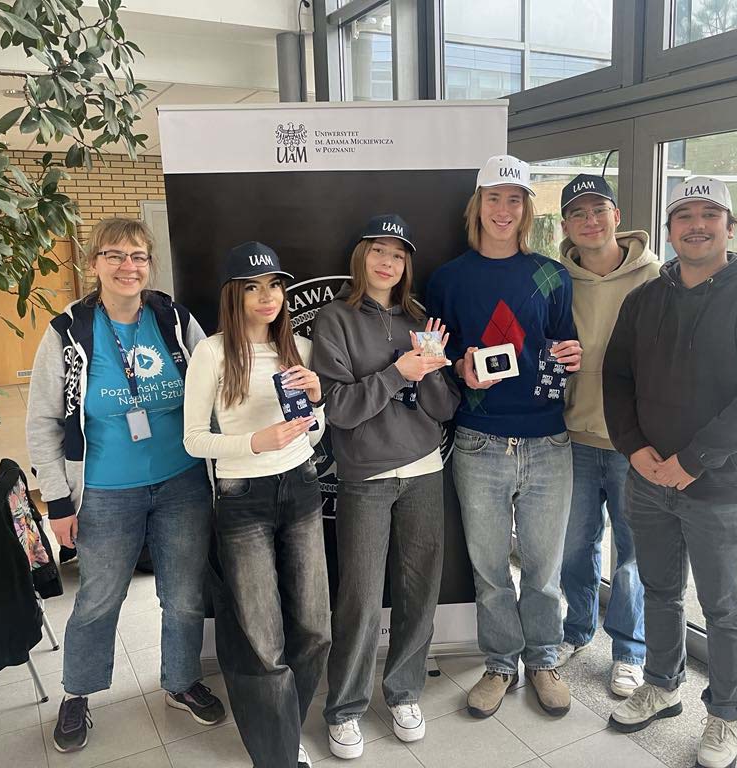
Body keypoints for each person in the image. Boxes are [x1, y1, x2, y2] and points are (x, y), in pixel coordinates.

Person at [603, 177, 737, 768]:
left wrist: (693, 460)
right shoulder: (644, 300)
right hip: (647, 479)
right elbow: (617, 377)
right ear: (669, 231)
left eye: (710, 214)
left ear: (730, 228)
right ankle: (662, 685)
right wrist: (633, 447)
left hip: (718, 487)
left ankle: (726, 716)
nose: (697, 224)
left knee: (723, 607)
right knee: (660, 591)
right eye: (684, 214)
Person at [27, 217, 224, 754]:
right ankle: (78, 692)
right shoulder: (68, 331)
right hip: (105, 492)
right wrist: (58, 501)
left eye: (137, 256)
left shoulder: (173, 319)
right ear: (93, 263)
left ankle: (181, 681)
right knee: (98, 598)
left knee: (183, 595)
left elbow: (214, 387)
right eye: (113, 255)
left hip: (182, 483)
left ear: (149, 264)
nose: (127, 266)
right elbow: (43, 422)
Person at [426, 155, 583, 720]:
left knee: (543, 570)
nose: (503, 209)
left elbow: (562, 348)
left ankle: (543, 660)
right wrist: (458, 369)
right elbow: (434, 359)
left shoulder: (551, 275)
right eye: (493, 197)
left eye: (514, 199)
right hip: (479, 441)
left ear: (526, 210)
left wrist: (572, 355)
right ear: (478, 205)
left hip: (547, 442)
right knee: (490, 571)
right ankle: (499, 664)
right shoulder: (447, 279)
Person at [312, 215, 461, 759]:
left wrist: (433, 371)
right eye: (379, 251)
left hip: (424, 470)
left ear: (406, 266)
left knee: (419, 590)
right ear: (362, 257)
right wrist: (400, 371)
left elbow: (444, 408)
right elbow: (338, 408)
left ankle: (404, 693)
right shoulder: (335, 319)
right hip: (366, 476)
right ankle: (345, 708)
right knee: (359, 596)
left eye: (398, 255)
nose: (387, 262)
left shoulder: (420, 317)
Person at [183, 241, 329, 768]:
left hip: (302, 485)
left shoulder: (301, 348)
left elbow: (315, 432)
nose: (267, 296)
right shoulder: (212, 353)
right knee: (263, 640)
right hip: (243, 496)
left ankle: (283, 731)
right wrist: (254, 443)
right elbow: (193, 440)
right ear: (233, 294)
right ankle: (278, 755)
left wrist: (316, 405)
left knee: (315, 630)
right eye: (252, 287)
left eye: (274, 285)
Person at [555, 174, 659, 697]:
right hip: (572, 436)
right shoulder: (556, 281)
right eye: (578, 213)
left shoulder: (656, 278)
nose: (590, 221)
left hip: (632, 443)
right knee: (574, 547)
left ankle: (629, 651)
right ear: (566, 226)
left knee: (632, 554)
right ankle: (576, 629)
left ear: (617, 216)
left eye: (599, 210)